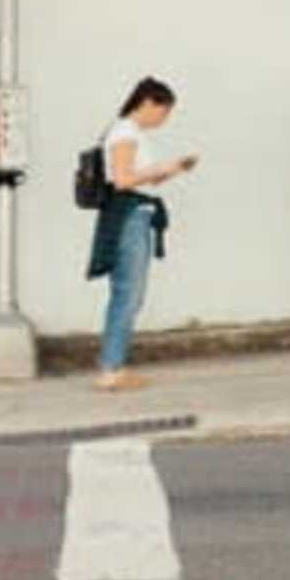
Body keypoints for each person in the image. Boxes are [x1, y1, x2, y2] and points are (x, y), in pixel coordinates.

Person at [90, 73, 190, 383]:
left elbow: (136, 177)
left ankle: (114, 365)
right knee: (128, 293)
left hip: (135, 212)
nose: (163, 119)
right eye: (163, 112)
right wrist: (159, 169)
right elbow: (122, 180)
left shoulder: (129, 133)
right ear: (147, 103)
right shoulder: (125, 134)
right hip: (129, 215)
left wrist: (171, 170)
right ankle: (111, 368)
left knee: (128, 293)